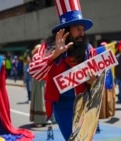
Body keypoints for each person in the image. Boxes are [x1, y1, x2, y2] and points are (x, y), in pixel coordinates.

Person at [29, 0, 97, 140]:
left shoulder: (88, 49)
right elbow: (35, 72)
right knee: (74, 138)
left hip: (85, 102)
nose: (81, 33)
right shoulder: (48, 48)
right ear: (67, 29)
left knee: (86, 138)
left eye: (82, 29)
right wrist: (55, 55)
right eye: (77, 28)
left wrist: (92, 80)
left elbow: (98, 75)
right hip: (63, 105)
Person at [29, 40, 54, 128]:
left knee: (46, 99)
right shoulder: (36, 57)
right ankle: (39, 120)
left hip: (44, 80)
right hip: (39, 80)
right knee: (39, 100)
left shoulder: (42, 56)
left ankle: (47, 118)